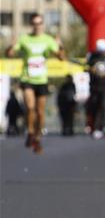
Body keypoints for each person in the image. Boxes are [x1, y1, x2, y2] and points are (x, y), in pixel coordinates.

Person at [6, 13, 64, 154]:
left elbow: (62, 57)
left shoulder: (48, 40)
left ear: (42, 25)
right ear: (31, 25)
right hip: (27, 79)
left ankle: (37, 138)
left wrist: (60, 46)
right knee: (30, 108)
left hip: (42, 80)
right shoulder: (25, 39)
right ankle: (31, 132)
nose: (37, 26)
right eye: (35, 23)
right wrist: (11, 47)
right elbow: (10, 54)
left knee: (40, 112)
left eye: (39, 23)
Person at [86, 38, 105, 139]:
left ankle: (103, 126)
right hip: (94, 85)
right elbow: (87, 68)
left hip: (104, 85)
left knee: (103, 106)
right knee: (94, 105)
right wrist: (92, 70)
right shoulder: (92, 56)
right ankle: (94, 127)